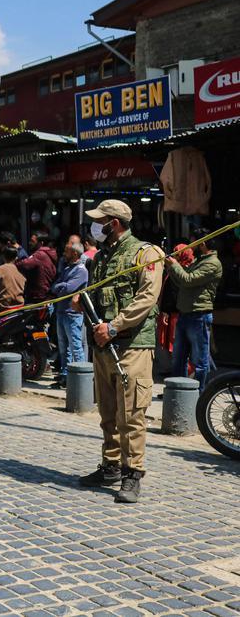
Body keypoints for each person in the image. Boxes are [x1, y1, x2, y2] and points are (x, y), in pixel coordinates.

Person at [77, 199, 164, 504]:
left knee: (131, 414)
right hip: (104, 347)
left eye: (100, 220)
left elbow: (146, 298)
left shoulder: (146, 253)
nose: (95, 226)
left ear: (113, 223)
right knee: (109, 412)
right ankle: (111, 465)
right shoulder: (100, 258)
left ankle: (132, 474)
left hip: (132, 346)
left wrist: (113, 327)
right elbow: (97, 295)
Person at [165, 227, 222, 393]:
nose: (190, 247)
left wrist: (175, 266)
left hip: (199, 316)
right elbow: (181, 282)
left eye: (193, 242)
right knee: (178, 359)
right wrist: (171, 267)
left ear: (202, 243)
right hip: (185, 314)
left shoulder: (212, 263)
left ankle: (199, 396)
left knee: (200, 361)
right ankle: (178, 393)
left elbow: (188, 280)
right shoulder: (199, 261)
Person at [50, 240, 89, 388]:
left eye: (66, 251)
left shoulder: (81, 270)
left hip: (73, 314)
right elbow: (56, 286)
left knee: (76, 347)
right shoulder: (67, 269)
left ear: (74, 253)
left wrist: (61, 286)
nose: (64, 254)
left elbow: (69, 288)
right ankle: (65, 377)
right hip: (61, 312)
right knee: (63, 347)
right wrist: (61, 286)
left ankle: (80, 380)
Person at [16, 232, 58, 305]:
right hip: (44, 294)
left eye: (32, 241)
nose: (29, 243)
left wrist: (12, 263)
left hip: (37, 298)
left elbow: (23, 264)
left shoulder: (40, 255)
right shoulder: (47, 253)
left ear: (41, 243)